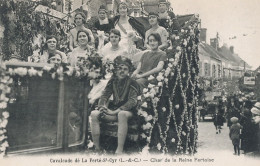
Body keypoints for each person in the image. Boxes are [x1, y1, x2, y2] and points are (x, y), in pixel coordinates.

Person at [90, 56, 140, 154]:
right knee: (94, 113)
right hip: (113, 111)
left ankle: (119, 150)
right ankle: (97, 148)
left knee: (121, 114)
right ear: (116, 70)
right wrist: (102, 107)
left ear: (129, 71)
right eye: (120, 68)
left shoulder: (133, 83)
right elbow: (104, 95)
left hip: (128, 112)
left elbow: (132, 101)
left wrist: (115, 111)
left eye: (125, 69)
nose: (122, 71)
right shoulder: (113, 81)